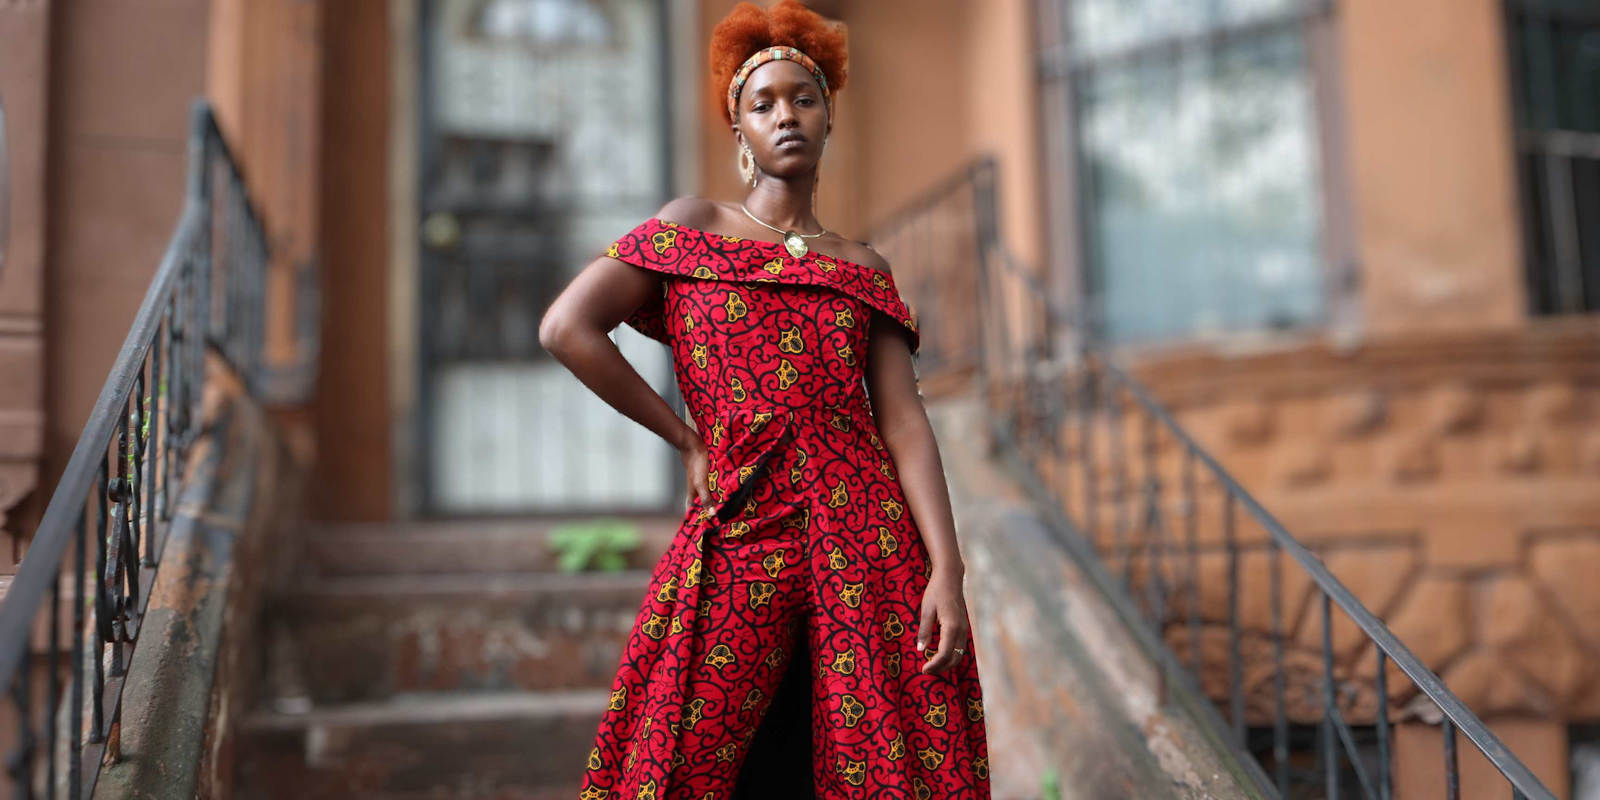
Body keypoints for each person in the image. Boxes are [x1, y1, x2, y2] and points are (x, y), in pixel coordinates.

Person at [538, 2, 991, 796]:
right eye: (764, 103)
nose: (787, 115)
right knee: (683, 747)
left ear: (828, 117)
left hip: (866, 531)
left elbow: (904, 421)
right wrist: (685, 438)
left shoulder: (863, 266)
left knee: (882, 756)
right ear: (738, 130)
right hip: (744, 517)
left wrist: (946, 569)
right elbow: (567, 327)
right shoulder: (692, 229)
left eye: (804, 99)